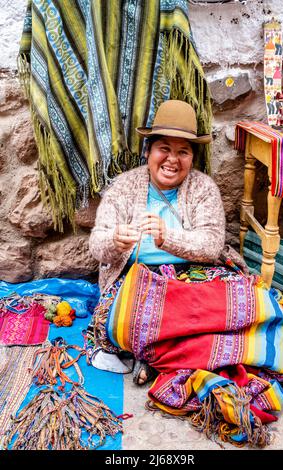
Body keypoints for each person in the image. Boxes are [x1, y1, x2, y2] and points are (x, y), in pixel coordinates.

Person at [88, 99, 247, 384]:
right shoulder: (124, 187)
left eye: (183, 152)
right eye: (164, 149)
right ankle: (179, 357)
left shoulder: (203, 189)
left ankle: (154, 356)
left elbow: (212, 246)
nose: (173, 159)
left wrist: (167, 237)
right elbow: (97, 245)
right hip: (139, 279)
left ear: (192, 158)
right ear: (148, 152)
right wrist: (115, 241)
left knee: (240, 302)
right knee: (121, 315)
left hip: (193, 275)